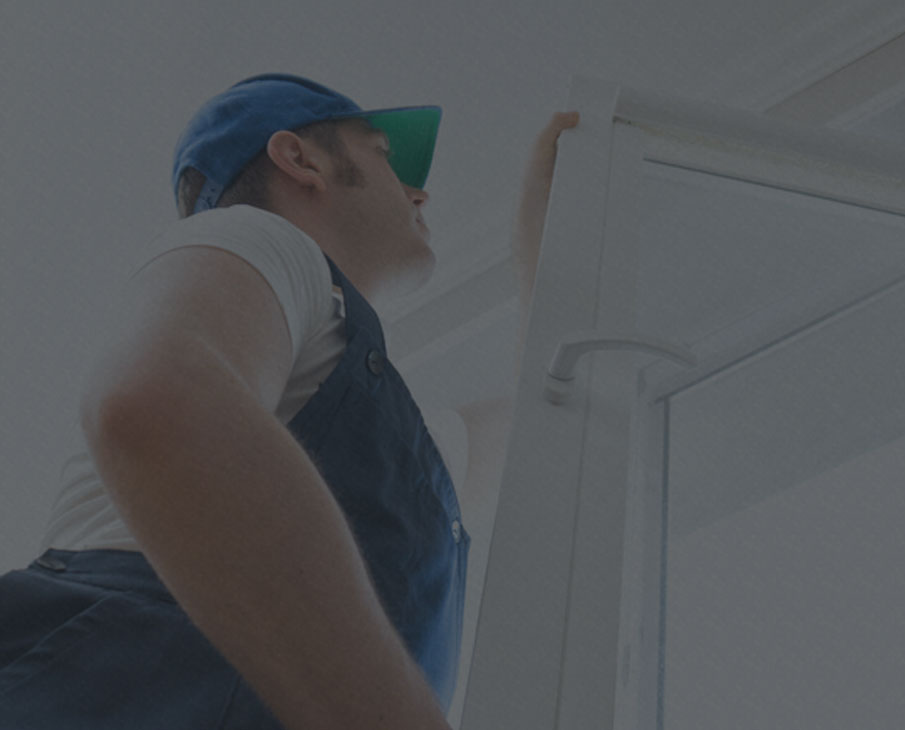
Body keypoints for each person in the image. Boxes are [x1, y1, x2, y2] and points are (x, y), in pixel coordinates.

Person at [0, 73, 579, 730]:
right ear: (300, 160)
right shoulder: (259, 237)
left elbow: (546, 438)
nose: (419, 192)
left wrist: (550, 251)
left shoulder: (396, 456)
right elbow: (159, 402)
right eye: (385, 157)